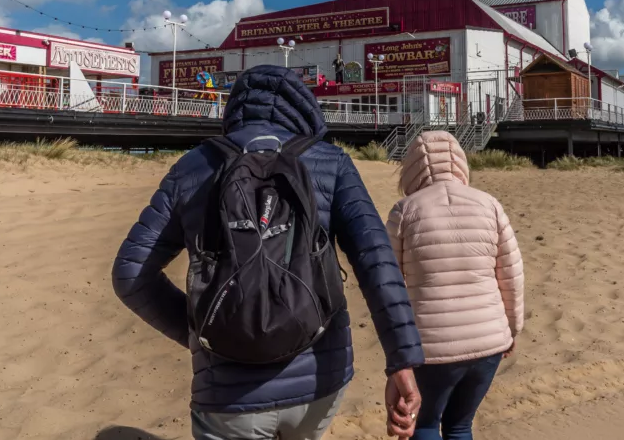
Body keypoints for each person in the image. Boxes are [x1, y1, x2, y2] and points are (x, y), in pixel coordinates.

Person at [112, 65, 425, 440]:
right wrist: (402, 361)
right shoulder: (330, 162)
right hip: (318, 382)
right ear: (304, 109)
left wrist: (201, 333)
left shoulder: (192, 167)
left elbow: (131, 274)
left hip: (226, 393)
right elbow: (376, 261)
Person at [385, 131, 524, 440]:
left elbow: (387, 287)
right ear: (460, 162)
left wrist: (397, 353)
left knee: (423, 424)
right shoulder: (489, 204)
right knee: (460, 425)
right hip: (488, 340)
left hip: (429, 347)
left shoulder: (404, 211)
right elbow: (512, 276)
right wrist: (512, 329)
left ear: (411, 167)